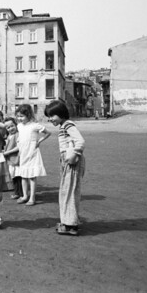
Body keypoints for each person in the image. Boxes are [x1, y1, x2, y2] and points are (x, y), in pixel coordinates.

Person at [44, 100, 86, 236]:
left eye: (52, 116)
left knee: (69, 193)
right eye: (48, 117)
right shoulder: (63, 126)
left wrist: (74, 155)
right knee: (65, 192)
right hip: (67, 161)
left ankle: (71, 225)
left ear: (61, 114)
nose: (50, 119)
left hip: (72, 162)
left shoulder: (68, 125)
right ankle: (68, 221)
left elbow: (80, 141)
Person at [15, 104, 51, 206]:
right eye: (18, 116)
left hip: (32, 152)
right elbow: (20, 136)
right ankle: (25, 195)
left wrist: (39, 141)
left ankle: (32, 197)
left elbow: (48, 133)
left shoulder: (35, 125)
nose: (19, 118)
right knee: (23, 175)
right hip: (23, 152)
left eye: (22, 116)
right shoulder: (19, 126)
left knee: (31, 176)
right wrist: (19, 141)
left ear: (29, 115)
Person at [2, 117, 21, 199]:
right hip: (11, 160)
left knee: (18, 177)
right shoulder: (9, 135)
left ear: (16, 125)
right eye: (8, 127)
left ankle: (20, 193)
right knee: (13, 176)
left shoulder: (17, 135)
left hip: (16, 159)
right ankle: (17, 192)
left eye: (12, 126)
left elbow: (18, 147)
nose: (10, 128)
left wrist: (7, 152)